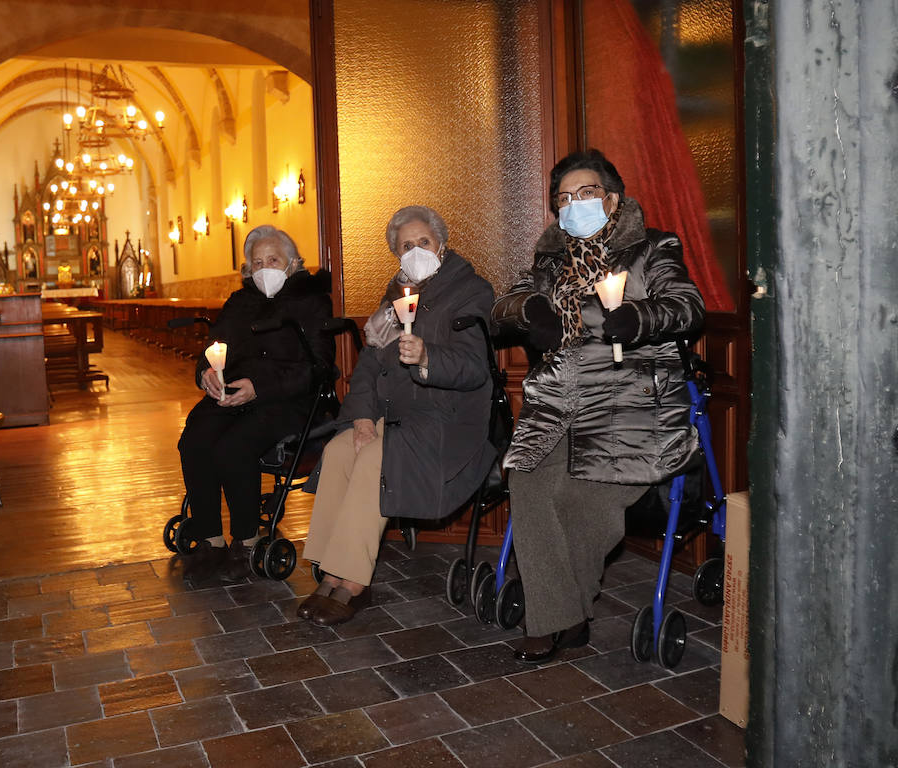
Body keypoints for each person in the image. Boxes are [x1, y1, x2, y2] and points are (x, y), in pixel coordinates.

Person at [491, 149, 704, 663]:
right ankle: (565, 615)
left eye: (584, 193)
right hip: (557, 402)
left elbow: (688, 306)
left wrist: (637, 316)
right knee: (529, 482)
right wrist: (531, 309)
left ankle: (550, 622)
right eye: (563, 198)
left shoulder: (653, 248)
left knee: (585, 501)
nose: (572, 204)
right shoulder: (549, 261)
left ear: (612, 200)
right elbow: (503, 305)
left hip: (628, 402)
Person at [299, 205, 496, 627]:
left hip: (447, 420)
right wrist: (363, 418)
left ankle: (350, 581)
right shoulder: (395, 299)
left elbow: (474, 367)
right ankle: (331, 569)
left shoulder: (470, 290)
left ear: (441, 245)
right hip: (398, 418)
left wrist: (428, 355)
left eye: (423, 242)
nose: (416, 251)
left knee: (375, 460)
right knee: (340, 449)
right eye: (406, 246)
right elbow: (369, 365)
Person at [176, 225, 333, 583]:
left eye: (273, 260)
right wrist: (206, 374)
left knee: (234, 447)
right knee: (194, 441)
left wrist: (259, 387)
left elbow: (319, 367)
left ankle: (247, 540)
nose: (264, 268)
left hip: (286, 399)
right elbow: (214, 347)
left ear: (293, 263)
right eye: (256, 262)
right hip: (233, 392)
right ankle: (211, 540)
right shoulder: (240, 302)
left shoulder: (311, 301)